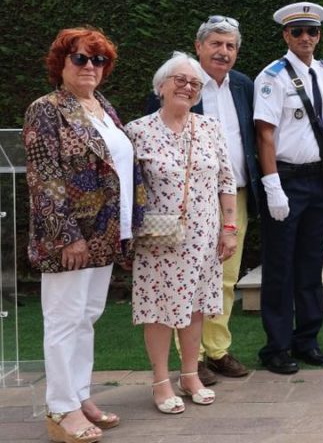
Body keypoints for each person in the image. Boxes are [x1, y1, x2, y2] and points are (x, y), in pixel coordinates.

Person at [25, 27, 143, 443]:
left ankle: (79, 395)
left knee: (87, 318)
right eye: (80, 58)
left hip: (106, 232)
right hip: (70, 237)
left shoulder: (103, 107)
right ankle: (61, 407)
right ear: (62, 63)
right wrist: (66, 236)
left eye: (98, 60)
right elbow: (45, 180)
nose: (90, 67)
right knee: (62, 320)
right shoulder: (47, 109)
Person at [144, 16, 260, 385]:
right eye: (216, 44)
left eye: (230, 46)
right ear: (199, 47)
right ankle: (188, 362)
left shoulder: (243, 85)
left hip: (232, 195)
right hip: (181, 205)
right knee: (183, 282)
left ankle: (217, 349)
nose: (223, 52)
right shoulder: (180, 84)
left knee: (224, 277)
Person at [126, 52, 237, 414]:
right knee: (157, 311)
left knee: (196, 309)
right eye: (180, 80)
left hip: (204, 236)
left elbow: (226, 180)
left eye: (194, 84)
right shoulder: (137, 130)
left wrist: (230, 228)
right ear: (161, 86)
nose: (187, 88)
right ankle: (161, 382)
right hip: (159, 239)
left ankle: (190, 376)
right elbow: (125, 189)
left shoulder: (210, 128)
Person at [253, 2, 323, 374]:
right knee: (280, 268)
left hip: (320, 179)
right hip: (286, 180)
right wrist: (272, 187)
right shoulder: (272, 76)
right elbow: (265, 135)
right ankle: (276, 347)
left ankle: (306, 339)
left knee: (311, 265)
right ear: (286, 36)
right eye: (298, 32)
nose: (306, 38)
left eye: (312, 32)